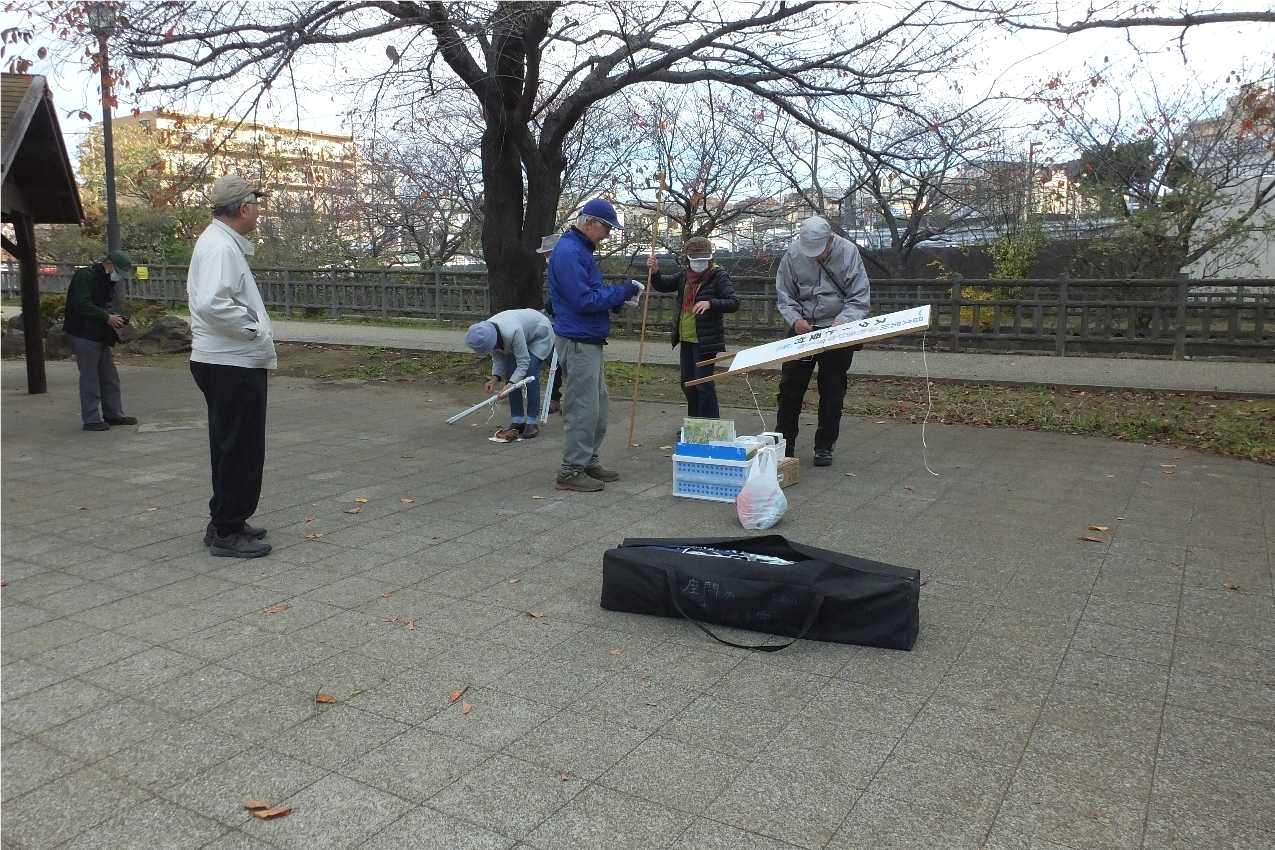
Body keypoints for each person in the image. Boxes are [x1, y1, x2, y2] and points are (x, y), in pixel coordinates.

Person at [187, 175, 276, 558]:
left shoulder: (219, 243)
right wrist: (252, 330)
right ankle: (226, 530)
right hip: (231, 361)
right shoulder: (221, 248)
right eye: (256, 204)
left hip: (225, 360)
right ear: (243, 209)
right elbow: (212, 303)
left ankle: (227, 519)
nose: (259, 211)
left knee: (230, 445)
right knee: (240, 447)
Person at [546, 198, 641, 492]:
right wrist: (621, 292)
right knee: (583, 407)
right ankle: (571, 470)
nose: (609, 235)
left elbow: (590, 293)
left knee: (597, 406)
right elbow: (583, 300)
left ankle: (586, 460)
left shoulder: (578, 250)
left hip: (587, 336)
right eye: (607, 228)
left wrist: (616, 299)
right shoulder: (570, 252)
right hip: (578, 339)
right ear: (589, 222)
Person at [774, 215, 870, 467]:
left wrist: (843, 322)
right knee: (790, 389)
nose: (816, 256)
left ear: (830, 240)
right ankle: (784, 445)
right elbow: (785, 295)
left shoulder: (848, 252)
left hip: (838, 328)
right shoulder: (793, 255)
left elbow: (859, 296)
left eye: (821, 250)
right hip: (804, 328)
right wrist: (795, 320)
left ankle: (825, 446)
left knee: (832, 390)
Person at [647, 235, 739, 418]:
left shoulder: (718, 275)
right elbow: (663, 285)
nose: (700, 263)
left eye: (704, 259)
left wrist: (711, 303)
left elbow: (734, 302)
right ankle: (694, 424)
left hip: (706, 340)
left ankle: (710, 424)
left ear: (710, 258)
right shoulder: (684, 276)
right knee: (687, 383)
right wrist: (655, 271)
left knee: (703, 383)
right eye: (695, 259)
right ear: (687, 258)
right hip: (686, 337)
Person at [63, 250, 139, 431]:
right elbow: (80, 304)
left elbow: (104, 305)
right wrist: (107, 317)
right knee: (90, 377)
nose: (119, 277)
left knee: (109, 376)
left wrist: (116, 317)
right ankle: (91, 419)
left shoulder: (105, 280)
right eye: (119, 272)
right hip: (82, 333)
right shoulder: (85, 276)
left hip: (100, 334)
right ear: (110, 264)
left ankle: (113, 414)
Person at [463, 308, 555, 440]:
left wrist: (510, 384)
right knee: (510, 371)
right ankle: (517, 420)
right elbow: (498, 358)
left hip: (539, 333)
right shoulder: (486, 332)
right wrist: (495, 378)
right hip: (521, 333)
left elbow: (523, 362)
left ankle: (531, 421)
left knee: (530, 374)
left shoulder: (512, 331)